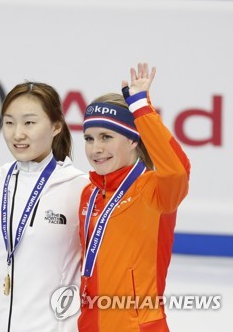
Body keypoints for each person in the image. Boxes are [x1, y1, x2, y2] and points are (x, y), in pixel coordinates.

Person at [78, 63, 191, 331]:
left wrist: (142, 109)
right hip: (89, 324)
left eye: (106, 137)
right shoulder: (89, 194)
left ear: (132, 140)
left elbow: (178, 169)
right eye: (89, 138)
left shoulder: (155, 191)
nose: (96, 149)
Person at [0, 81, 89, 332]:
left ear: (56, 126)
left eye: (29, 122)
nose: (18, 134)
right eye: (9, 122)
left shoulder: (80, 187)